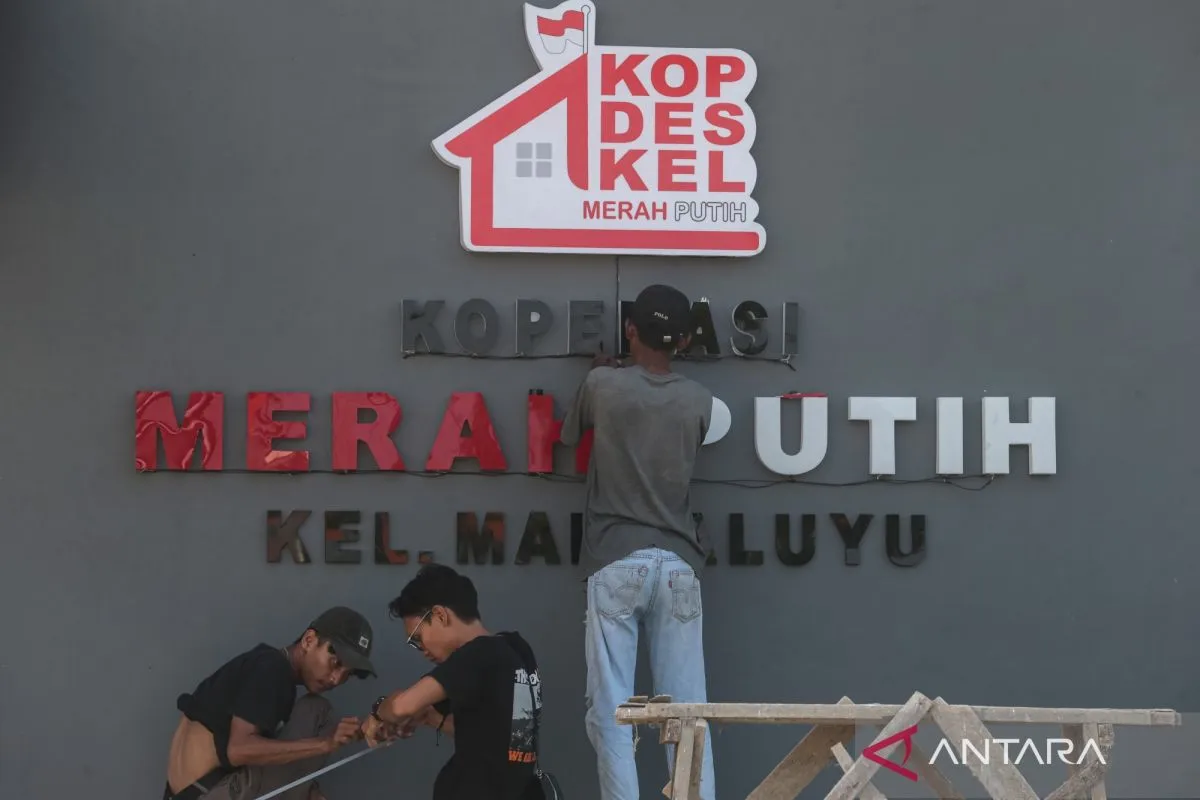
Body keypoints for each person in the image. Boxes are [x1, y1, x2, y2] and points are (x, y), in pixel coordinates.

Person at [560, 283, 717, 800]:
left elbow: (568, 436)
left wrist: (600, 373)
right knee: (688, 712)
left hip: (616, 556)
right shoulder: (698, 399)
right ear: (685, 340)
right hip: (679, 563)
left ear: (630, 330)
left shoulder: (602, 384)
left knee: (613, 710)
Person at [361, 563, 545, 800]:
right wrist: (428, 717)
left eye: (417, 638)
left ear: (440, 615)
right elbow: (496, 738)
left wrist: (379, 711)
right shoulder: (515, 648)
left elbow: (400, 707)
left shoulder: (476, 654)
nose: (421, 650)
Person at [162, 606, 377, 800]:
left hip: (186, 794)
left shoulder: (262, 664)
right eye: (335, 663)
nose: (336, 679)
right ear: (309, 640)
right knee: (318, 711)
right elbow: (239, 750)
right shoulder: (273, 669)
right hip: (211, 792)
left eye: (347, 674)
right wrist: (325, 743)